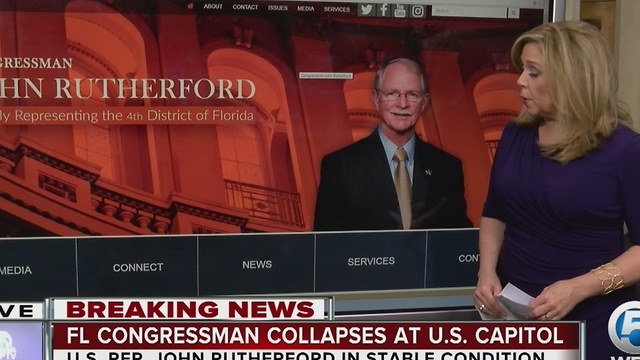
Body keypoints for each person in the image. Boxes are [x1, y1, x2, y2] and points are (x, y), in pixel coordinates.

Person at [473, 20, 640, 359]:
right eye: (523, 70)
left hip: (593, 323)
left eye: (533, 72)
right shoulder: (513, 136)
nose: (519, 80)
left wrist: (578, 289)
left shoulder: (625, 151)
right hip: (514, 316)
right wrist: (486, 273)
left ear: (570, 79)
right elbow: (495, 213)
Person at [313, 58, 472, 231]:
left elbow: (458, 244)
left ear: (424, 102)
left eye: (412, 94)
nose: (402, 104)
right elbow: (326, 248)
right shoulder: (340, 166)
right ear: (376, 99)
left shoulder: (448, 168)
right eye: (392, 93)